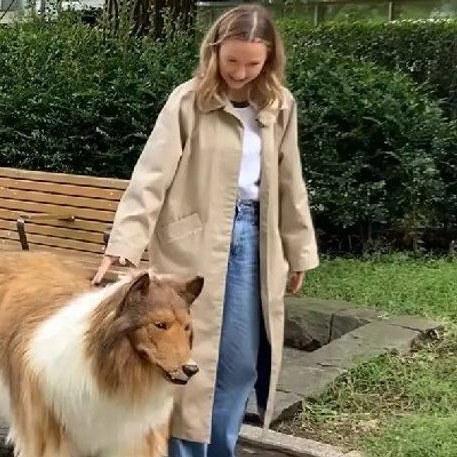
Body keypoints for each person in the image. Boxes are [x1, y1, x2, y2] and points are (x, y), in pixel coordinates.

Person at [92, 4, 319, 456]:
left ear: (270, 59)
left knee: (237, 366)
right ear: (214, 51)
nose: (240, 72)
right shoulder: (187, 100)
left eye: (253, 63)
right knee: (184, 361)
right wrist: (124, 247)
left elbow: (290, 182)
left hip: (256, 243)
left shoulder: (279, 105)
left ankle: (220, 450)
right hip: (190, 244)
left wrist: (299, 252)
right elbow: (150, 177)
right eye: (231, 60)